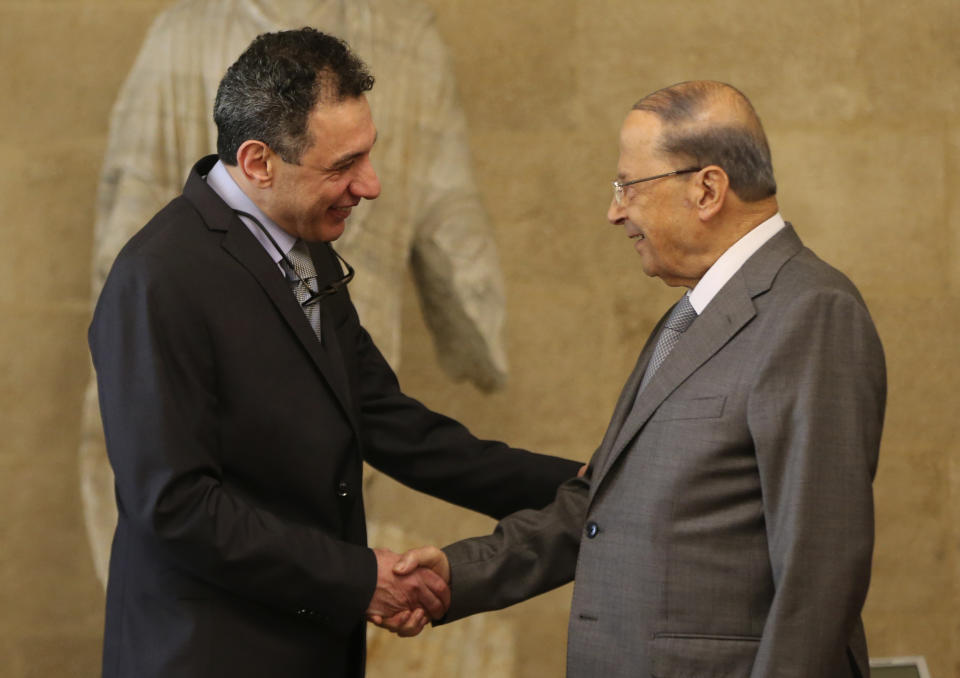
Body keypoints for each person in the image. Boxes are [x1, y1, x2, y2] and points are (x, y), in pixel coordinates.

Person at [88, 28, 580, 678]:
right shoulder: (157, 278)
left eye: (367, 156)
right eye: (343, 166)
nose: (370, 185)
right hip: (207, 654)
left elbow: (394, 426)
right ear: (259, 161)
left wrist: (593, 485)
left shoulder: (305, 244)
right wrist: (357, 578)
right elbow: (174, 506)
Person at [382, 81, 887, 678]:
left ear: (707, 189)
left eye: (629, 186)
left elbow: (820, 571)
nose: (615, 210)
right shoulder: (691, 315)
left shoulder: (811, 312)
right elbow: (601, 506)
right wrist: (458, 574)